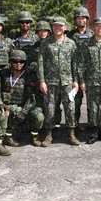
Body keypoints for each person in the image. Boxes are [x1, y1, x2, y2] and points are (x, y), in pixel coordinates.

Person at [38, 17, 80, 146]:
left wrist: (76, 81)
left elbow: (75, 63)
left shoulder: (71, 43)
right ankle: (48, 135)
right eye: (55, 26)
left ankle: (71, 134)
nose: (57, 28)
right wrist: (42, 81)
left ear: (65, 28)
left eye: (60, 26)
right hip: (51, 81)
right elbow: (41, 63)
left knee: (70, 108)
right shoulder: (46, 43)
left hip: (67, 81)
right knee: (50, 108)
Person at [0, 50, 44, 147]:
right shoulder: (4, 74)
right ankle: (8, 136)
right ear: (11, 62)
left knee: (39, 117)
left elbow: (32, 97)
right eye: (15, 62)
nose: (18, 64)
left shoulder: (29, 76)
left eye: (21, 62)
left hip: (25, 106)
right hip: (9, 105)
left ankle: (34, 136)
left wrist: (24, 112)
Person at [68, 7, 94, 129]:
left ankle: (91, 124)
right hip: (74, 71)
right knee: (76, 101)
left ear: (87, 20)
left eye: (83, 18)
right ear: (75, 20)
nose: (81, 20)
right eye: (78, 18)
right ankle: (75, 126)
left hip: (90, 72)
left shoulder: (92, 34)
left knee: (91, 101)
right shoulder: (69, 35)